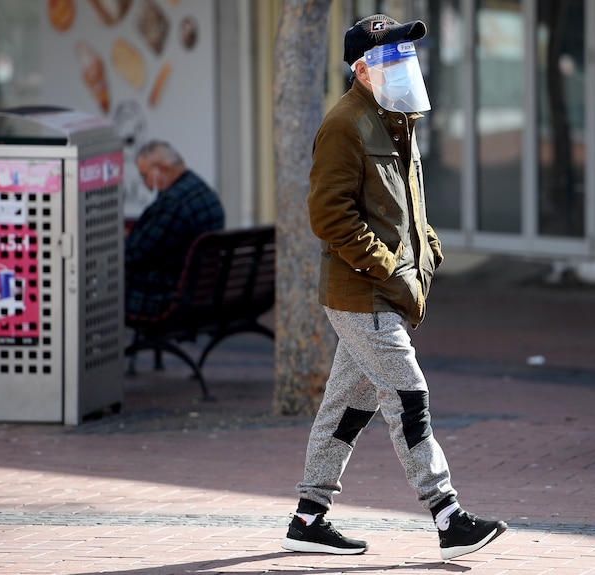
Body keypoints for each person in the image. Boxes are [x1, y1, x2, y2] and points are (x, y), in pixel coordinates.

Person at [280, 14, 507, 561]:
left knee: (346, 408)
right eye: (392, 57)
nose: (407, 64)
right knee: (409, 396)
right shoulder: (345, 124)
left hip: (385, 288)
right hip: (363, 292)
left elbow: (407, 205)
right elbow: (330, 217)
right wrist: (391, 268)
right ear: (361, 69)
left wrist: (426, 249)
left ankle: (308, 517)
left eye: (409, 54)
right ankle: (448, 515)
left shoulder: (397, 117)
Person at [125, 140, 224, 319]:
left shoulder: (174, 203)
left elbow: (137, 254)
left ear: (161, 170)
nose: (146, 185)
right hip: (196, 290)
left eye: (144, 175)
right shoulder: (201, 189)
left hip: (167, 296)